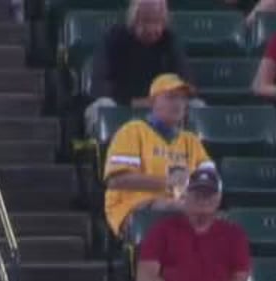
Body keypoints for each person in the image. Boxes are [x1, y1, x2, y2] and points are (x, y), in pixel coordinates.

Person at [102, 73, 214, 237]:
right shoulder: (133, 131)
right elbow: (116, 181)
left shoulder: (191, 140)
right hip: (133, 208)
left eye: (183, 98)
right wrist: (168, 182)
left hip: (180, 206)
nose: (178, 103)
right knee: (177, 210)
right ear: (152, 102)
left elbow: (211, 180)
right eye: (171, 97)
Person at [85, 0, 191, 133]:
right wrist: (134, 102)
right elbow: (99, 85)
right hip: (121, 103)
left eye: (158, 22)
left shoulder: (170, 41)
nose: (152, 29)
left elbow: (185, 81)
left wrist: (164, 100)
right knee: (102, 106)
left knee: (195, 106)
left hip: (161, 105)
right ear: (133, 21)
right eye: (146, 22)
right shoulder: (113, 38)